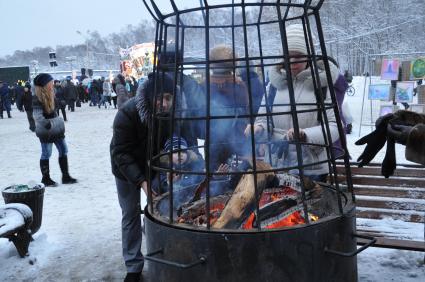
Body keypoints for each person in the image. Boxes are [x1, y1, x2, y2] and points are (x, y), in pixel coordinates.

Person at [245, 24, 340, 182]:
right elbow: (264, 118)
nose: (293, 62)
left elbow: (334, 127)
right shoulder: (273, 86)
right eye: (288, 56)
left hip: (312, 168)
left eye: (299, 56)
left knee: (310, 206)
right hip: (276, 166)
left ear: (309, 56)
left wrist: (305, 135)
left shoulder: (321, 86)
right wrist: (259, 128)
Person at [110, 73, 175, 282]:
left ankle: (161, 251)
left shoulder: (171, 113)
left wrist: (175, 157)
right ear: (149, 95)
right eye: (160, 98)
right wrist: (142, 182)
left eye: (169, 98)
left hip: (154, 165)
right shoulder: (127, 113)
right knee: (130, 213)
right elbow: (121, 153)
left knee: (160, 208)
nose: (164, 104)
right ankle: (133, 265)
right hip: (125, 169)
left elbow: (176, 137)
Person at [32, 73, 77, 187]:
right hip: (47, 130)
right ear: (44, 84)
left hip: (56, 128)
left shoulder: (52, 94)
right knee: (46, 153)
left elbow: (53, 110)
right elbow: (37, 115)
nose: (52, 84)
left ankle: (65, 176)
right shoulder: (37, 98)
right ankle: (45, 179)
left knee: (63, 150)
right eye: (50, 82)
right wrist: (48, 124)